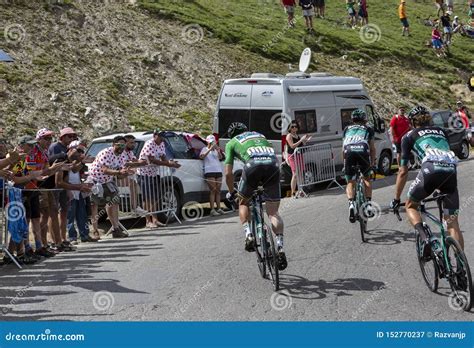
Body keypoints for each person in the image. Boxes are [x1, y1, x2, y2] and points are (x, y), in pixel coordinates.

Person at [390, 106, 463, 258]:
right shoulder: (442, 131)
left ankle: (426, 238)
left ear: (411, 122)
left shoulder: (408, 136)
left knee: (411, 205)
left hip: (430, 169)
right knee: (452, 222)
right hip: (450, 171)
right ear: (429, 118)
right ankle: (460, 268)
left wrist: (396, 199)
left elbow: (403, 171)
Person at [224, 122, 287, 271]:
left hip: (252, 167)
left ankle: (249, 235)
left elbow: (228, 173)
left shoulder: (232, 142)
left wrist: (232, 192)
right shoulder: (260, 135)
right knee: (273, 213)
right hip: (272, 166)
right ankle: (280, 247)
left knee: (243, 202)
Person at [87, 136, 134, 238]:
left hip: (108, 181)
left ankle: (116, 229)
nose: (122, 147)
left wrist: (126, 173)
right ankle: (95, 230)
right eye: (120, 145)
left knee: (114, 202)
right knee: (94, 206)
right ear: (113, 144)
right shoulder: (106, 153)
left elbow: (120, 175)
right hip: (95, 180)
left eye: (124, 145)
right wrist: (119, 172)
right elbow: (105, 169)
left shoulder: (122, 156)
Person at [137, 129, 180, 229]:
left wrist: (170, 163)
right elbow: (151, 160)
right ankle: (148, 221)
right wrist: (168, 164)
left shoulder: (161, 144)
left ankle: (155, 220)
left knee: (155, 197)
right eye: (160, 137)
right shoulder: (149, 144)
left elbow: (163, 157)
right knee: (147, 198)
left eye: (163, 137)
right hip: (144, 174)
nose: (162, 139)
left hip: (154, 173)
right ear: (155, 135)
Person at [56, 141, 98, 243]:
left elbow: (76, 170)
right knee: (70, 215)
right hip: (70, 189)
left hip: (78, 189)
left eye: (82, 151)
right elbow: (65, 176)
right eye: (79, 150)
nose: (81, 153)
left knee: (82, 213)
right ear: (71, 149)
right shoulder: (65, 159)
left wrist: (83, 164)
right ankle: (72, 237)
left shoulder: (77, 160)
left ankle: (84, 235)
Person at [342, 109, 376, 223]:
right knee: (366, 178)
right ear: (364, 119)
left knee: (350, 181)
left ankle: (351, 204)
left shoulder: (346, 129)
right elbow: (372, 148)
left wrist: (344, 163)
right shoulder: (368, 129)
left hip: (349, 151)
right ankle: (368, 205)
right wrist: (372, 163)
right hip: (362, 151)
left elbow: (343, 147)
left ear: (353, 119)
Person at [48, 127, 78, 247]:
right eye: (69, 136)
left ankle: (63, 238)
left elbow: (70, 169)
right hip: (53, 183)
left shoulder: (67, 148)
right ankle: (54, 240)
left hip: (64, 183)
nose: (71, 139)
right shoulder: (55, 147)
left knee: (64, 211)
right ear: (63, 137)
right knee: (53, 213)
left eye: (73, 137)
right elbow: (57, 167)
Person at [121, 134, 146, 216]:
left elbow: (136, 161)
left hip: (126, 175)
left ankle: (135, 208)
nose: (134, 144)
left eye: (134, 142)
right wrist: (137, 164)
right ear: (125, 143)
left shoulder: (130, 152)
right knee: (133, 184)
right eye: (131, 143)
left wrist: (140, 162)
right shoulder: (121, 151)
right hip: (115, 175)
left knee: (133, 184)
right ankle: (134, 208)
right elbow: (124, 163)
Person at [199, 135, 225, 216]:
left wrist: (218, 149)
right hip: (209, 171)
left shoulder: (216, 150)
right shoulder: (204, 149)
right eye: (211, 142)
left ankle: (219, 208)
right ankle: (212, 209)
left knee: (218, 190)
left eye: (213, 142)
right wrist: (210, 149)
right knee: (213, 190)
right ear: (207, 142)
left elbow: (220, 158)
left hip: (218, 170)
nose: (212, 143)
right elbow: (202, 157)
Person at [286, 121, 311, 197]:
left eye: (296, 126)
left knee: (300, 173)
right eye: (292, 127)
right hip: (292, 156)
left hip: (299, 155)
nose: (294, 128)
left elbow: (301, 144)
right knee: (295, 174)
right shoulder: (289, 136)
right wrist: (301, 140)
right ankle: (293, 192)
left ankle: (301, 191)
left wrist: (306, 140)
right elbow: (292, 146)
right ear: (290, 128)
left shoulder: (297, 135)